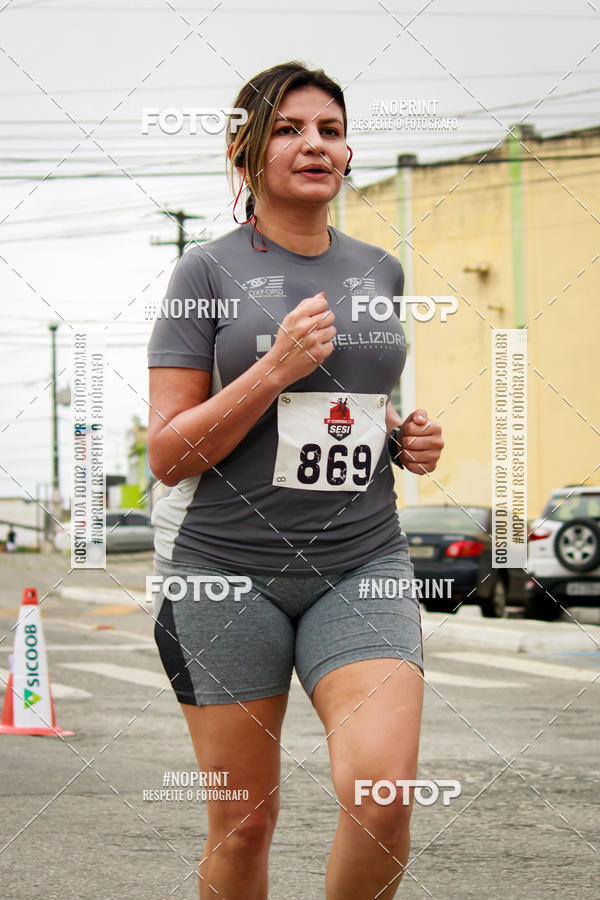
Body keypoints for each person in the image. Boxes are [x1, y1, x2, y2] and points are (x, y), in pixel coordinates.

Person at [147, 61, 444, 900]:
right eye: (288, 129)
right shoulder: (204, 274)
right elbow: (167, 455)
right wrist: (271, 369)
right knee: (243, 824)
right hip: (222, 573)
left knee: (382, 798)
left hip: (361, 561)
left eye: (329, 130)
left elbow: (352, 410)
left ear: (348, 154)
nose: (314, 144)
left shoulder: (380, 271)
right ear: (245, 154)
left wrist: (403, 437)